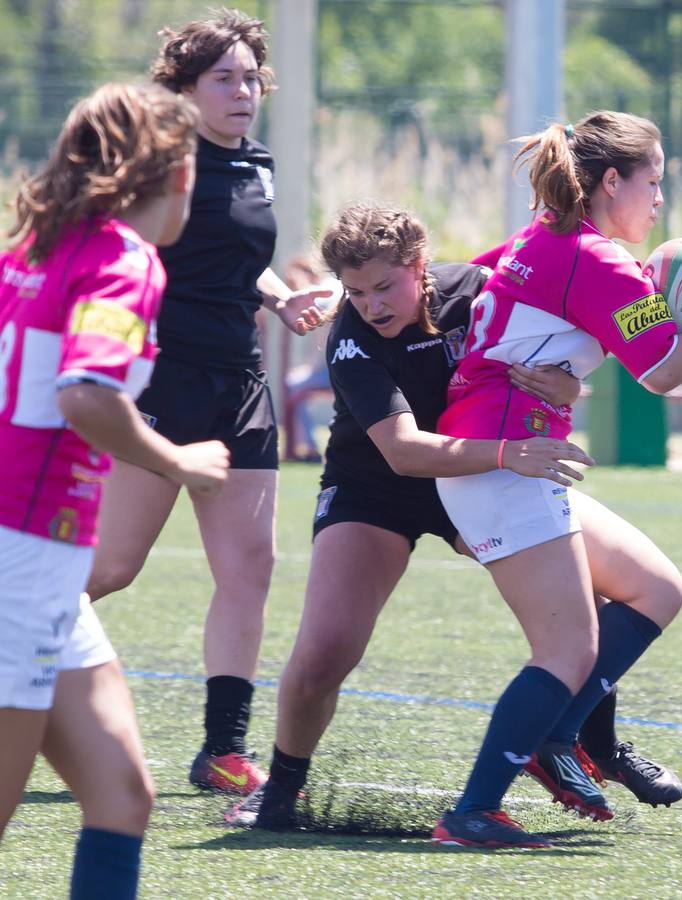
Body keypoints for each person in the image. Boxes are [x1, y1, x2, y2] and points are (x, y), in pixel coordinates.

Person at [225, 203, 682, 829]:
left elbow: (566, 342)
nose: (372, 305)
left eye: (385, 286)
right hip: (379, 490)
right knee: (325, 652)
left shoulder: (478, 289)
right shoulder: (352, 337)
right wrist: (512, 452)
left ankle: (580, 742)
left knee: (624, 588)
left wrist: (570, 385)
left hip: (482, 476)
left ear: (420, 267)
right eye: (356, 292)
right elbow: (403, 451)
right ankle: (281, 789)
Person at [428, 110, 682, 848]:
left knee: (655, 587)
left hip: (515, 455)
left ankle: (559, 735)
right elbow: (662, 371)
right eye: (654, 182)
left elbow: (465, 282)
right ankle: (472, 812)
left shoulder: (545, 235)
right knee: (567, 651)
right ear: (612, 182)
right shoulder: (596, 261)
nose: (660, 200)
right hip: (500, 463)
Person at [85, 8, 331, 796]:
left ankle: (221, 749)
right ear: (183, 91)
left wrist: (279, 300)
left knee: (250, 567)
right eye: (223, 78)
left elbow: (236, 260)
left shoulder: (256, 163)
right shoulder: (157, 168)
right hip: (162, 386)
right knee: (113, 567)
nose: (243, 91)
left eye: (251, 77)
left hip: (242, 387)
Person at [0, 82, 231, 899]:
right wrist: (177, 460)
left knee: (122, 795)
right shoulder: (124, 262)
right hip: (22, 556)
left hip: (42, 564)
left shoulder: (32, 249)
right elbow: (87, 394)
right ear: (175, 176)